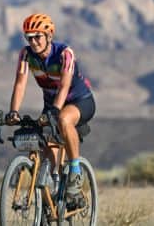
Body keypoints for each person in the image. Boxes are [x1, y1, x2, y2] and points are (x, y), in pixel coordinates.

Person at [6, 13, 96, 198]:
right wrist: (13, 111)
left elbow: (64, 85)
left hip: (78, 101)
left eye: (37, 36)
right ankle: (50, 207)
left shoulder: (65, 54)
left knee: (63, 119)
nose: (33, 42)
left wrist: (55, 110)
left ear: (49, 36)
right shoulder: (26, 55)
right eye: (29, 38)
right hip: (51, 104)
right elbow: (20, 84)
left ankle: (75, 171)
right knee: (47, 156)